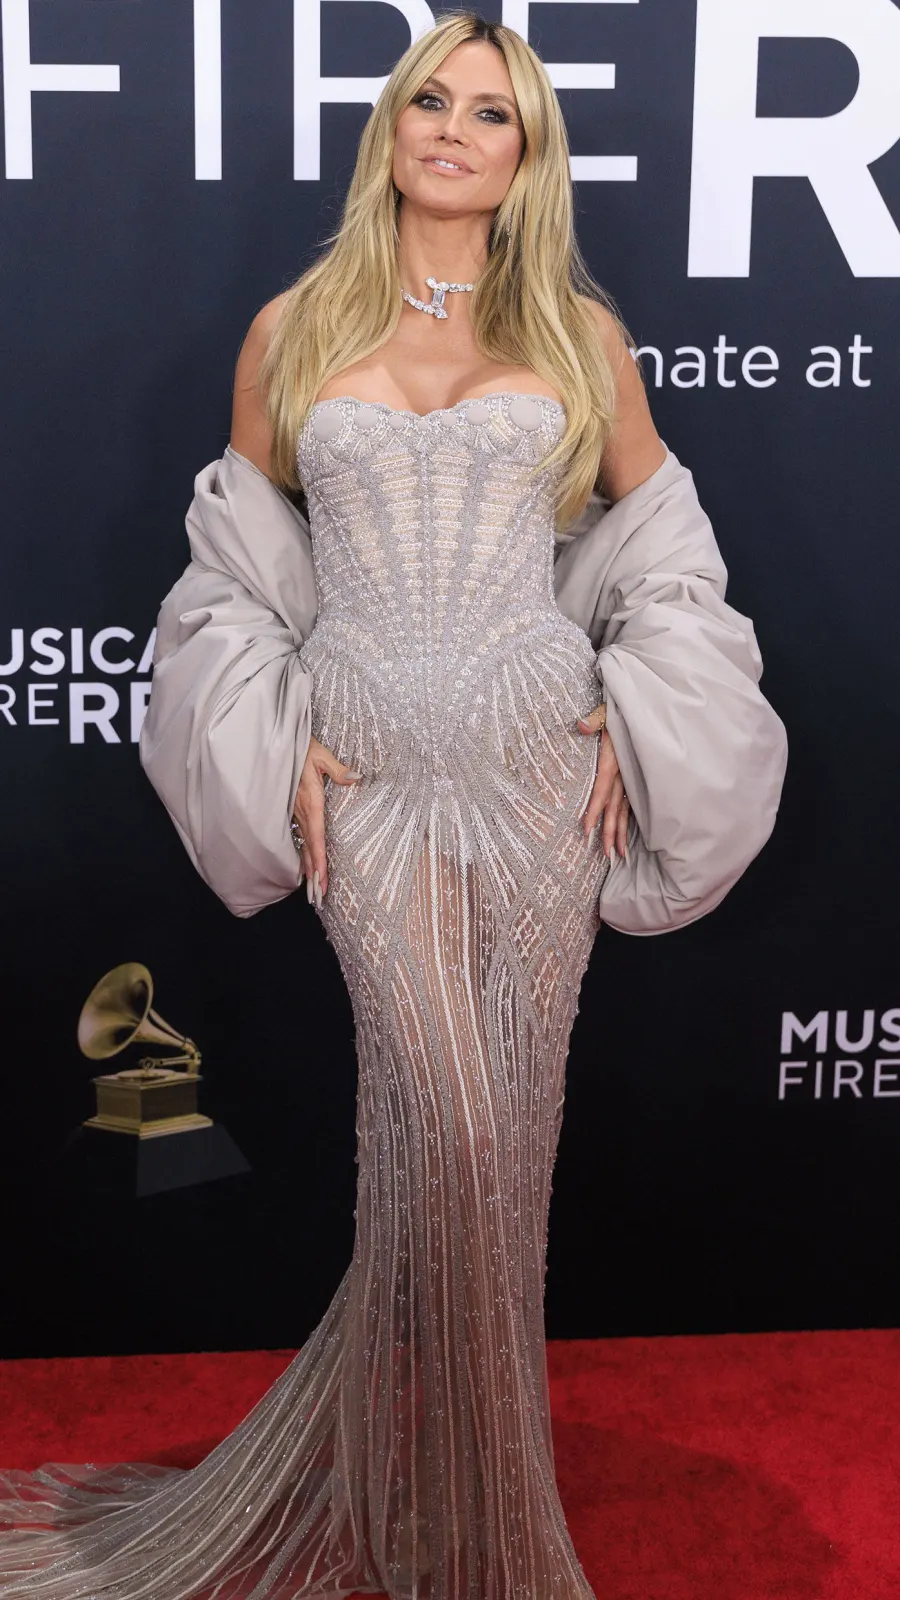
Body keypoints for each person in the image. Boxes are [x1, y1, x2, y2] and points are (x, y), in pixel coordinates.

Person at [0, 12, 787, 1600]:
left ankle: (459, 1515)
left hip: (536, 780)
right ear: (391, 130)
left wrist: (639, 708)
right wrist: (268, 730)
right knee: (450, 1133)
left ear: (525, 154)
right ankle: (458, 1524)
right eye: (432, 99)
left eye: (491, 113)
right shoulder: (294, 329)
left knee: (501, 1157)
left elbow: (669, 548)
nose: (454, 129)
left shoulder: (576, 335)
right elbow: (232, 574)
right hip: (366, 791)